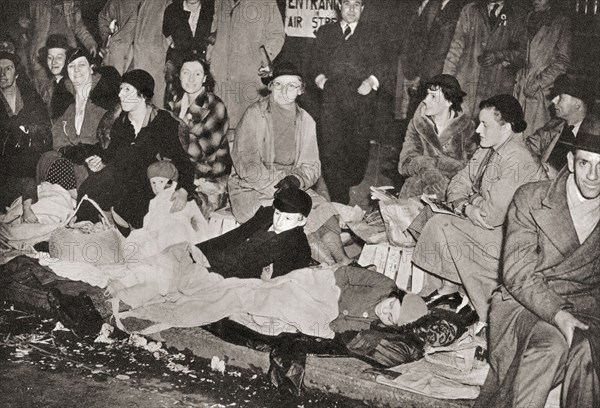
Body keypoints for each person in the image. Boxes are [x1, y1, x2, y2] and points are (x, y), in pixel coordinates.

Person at [474, 116, 600, 408]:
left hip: (584, 309)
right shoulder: (531, 198)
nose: (593, 175)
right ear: (570, 161)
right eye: (584, 163)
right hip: (522, 306)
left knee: (587, 351)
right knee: (550, 346)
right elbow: (518, 275)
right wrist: (559, 316)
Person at [411, 94, 546, 325]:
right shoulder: (490, 148)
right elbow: (458, 183)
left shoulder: (517, 159)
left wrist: (469, 202)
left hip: (514, 243)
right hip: (492, 225)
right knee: (428, 214)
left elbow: (490, 216)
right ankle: (449, 287)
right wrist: (467, 204)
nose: (479, 131)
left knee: (441, 224)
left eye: (485, 125)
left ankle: (482, 308)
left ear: (506, 128)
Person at [228, 62, 352, 264]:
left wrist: (296, 179)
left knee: (324, 212)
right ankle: (332, 267)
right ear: (271, 87)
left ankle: (344, 260)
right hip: (251, 188)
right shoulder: (254, 115)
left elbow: (312, 165)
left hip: (291, 185)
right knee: (295, 217)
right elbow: (247, 164)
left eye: (292, 85)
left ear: (301, 90)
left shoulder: (306, 121)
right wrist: (281, 189)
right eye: (279, 85)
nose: (285, 91)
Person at [77, 69, 196, 230]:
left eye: (127, 90)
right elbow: (111, 157)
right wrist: (99, 164)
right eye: (121, 89)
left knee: (127, 159)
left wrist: (184, 190)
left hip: (146, 190)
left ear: (143, 95)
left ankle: (103, 225)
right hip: (119, 186)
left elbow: (183, 161)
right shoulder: (121, 123)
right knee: (89, 188)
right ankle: (87, 228)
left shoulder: (162, 122)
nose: (120, 95)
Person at [310, 0, 385, 204]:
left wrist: (372, 81)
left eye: (356, 4)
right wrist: (320, 80)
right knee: (331, 151)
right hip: (331, 102)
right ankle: (338, 201)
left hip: (360, 103)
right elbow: (313, 62)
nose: (351, 9)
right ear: (339, 7)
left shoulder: (373, 34)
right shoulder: (326, 32)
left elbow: (384, 64)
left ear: (362, 8)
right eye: (346, 4)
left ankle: (348, 188)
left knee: (356, 155)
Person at [197, 187, 313, 280]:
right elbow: (234, 235)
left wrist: (213, 274)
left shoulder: (297, 246)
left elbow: (269, 282)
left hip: (234, 279)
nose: (279, 221)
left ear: (302, 221)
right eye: (277, 213)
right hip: (221, 259)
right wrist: (198, 250)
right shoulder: (266, 216)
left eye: (287, 218)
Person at [45, 48, 120, 188]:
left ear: (91, 69)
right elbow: (57, 132)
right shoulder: (65, 100)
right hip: (71, 166)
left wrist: (99, 159)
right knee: (47, 159)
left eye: (81, 65)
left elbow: (115, 138)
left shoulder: (107, 97)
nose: (76, 70)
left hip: (98, 165)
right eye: (72, 66)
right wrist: (68, 151)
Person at [166, 52, 230, 216]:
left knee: (173, 213)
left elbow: (200, 154)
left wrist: (182, 183)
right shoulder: (175, 103)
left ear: (204, 78)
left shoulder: (215, 106)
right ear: (179, 76)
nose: (191, 78)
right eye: (186, 72)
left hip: (207, 180)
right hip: (180, 173)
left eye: (197, 74)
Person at [208, 0, 285, 128]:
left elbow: (277, 34)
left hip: (250, 80)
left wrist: (263, 59)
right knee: (221, 132)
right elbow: (215, 28)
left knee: (249, 131)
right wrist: (211, 54)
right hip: (221, 79)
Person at [443, 0, 527, 118]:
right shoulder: (470, 10)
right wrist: (446, 81)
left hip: (496, 89)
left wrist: (500, 56)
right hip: (467, 86)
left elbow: (522, 53)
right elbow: (455, 48)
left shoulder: (517, 16)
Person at [398, 74, 477, 199]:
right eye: (427, 94)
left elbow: (474, 167)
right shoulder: (417, 124)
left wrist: (448, 179)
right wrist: (431, 174)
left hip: (455, 191)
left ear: (449, 101)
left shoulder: (468, 127)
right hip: (420, 186)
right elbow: (406, 161)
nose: (425, 100)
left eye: (433, 96)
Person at [0, 51, 52, 222]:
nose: (3, 74)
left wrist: (27, 130)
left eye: (8, 68)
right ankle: (23, 207)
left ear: (16, 73)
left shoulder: (30, 97)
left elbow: (44, 127)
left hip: (31, 154)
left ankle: (26, 206)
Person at [126, 160, 210, 258]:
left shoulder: (183, 197)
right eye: (153, 183)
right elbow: (149, 219)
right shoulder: (154, 201)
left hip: (177, 231)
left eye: (161, 182)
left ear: (172, 182)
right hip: (164, 233)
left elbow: (198, 220)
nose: (156, 186)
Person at [514, 0, 571, 138]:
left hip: (542, 91)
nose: (535, 1)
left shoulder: (561, 22)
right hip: (521, 86)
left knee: (534, 138)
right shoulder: (528, 18)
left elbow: (562, 62)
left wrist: (538, 82)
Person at [526, 73, 593, 179]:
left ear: (577, 104)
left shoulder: (594, 135)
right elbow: (527, 147)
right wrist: (540, 168)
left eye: (560, 97)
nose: (553, 101)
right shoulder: (554, 126)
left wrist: (559, 179)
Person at [28, 0, 98, 93]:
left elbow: (79, 27)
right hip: (43, 54)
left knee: (67, 87)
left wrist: (90, 43)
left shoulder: (72, 4)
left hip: (67, 53)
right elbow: (30, 26)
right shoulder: (39, 4)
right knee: (45, 88)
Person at [163, 0, 215, 102]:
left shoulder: (211, 9)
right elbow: (166, 40)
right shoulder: (172, 10)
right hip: (178, 69)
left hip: (204, 68)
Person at [97, 0, 142, 75]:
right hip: (119, 51)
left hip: (142, 52)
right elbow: (103, 18)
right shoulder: (117, 2)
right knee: (114, 81)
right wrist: (107, 40)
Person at [38, 34, 73, 122]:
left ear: (67, 58)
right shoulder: (47, 86)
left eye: (59, 57)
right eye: (50, 58)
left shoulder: (73, 85)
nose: (54, 62)